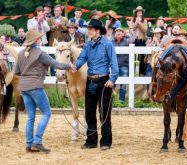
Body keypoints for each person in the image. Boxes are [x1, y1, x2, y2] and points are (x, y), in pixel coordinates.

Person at [15, 29, 76, 153]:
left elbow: (16, 71)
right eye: (39, 38)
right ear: (37, 40)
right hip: (36, 86)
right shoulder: (40, 53)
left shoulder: (21, 53)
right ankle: (37, 141)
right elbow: (56, 64)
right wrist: (69, 66)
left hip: (24, 87)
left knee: (30, 117)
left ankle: (29, 144)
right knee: (46, 113)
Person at [75, 19, 119, 150]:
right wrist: (74, 66)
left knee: (104, 112)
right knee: (89, 112)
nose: (88, 31)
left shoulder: (107, 44)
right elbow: (82, 58)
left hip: (104, 81)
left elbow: (114, 63)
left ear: (97, 31)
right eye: (88, 29)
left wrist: (112, 79)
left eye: (91, 29)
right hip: (90, 80)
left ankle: (106, 142)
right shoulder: (87, 45)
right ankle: (91, 141)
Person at [112, 28, 135, 102]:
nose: (118, 33)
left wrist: (130, 30)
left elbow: (133, 38)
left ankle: (121, 101)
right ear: (115, 34)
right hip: (114, 65)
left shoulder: (127, 41)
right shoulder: (111, 42)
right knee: (112, 83)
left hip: (124, 65)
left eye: (120, 32)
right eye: (117, 32)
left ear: (123, 34)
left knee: (123, 84)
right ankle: (111, 100)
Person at [129, 6, 147, 76]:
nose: (139, 13)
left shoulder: (145, 21)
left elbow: (145, 30)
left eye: (141, 12)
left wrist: (140, 23)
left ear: (142, 13)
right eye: (138, 12)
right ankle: (132, 73)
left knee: (142, 57)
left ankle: (141, 73)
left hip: (141, 41)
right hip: (134, 40)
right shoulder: (132, 20)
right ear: (136, 13)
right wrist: (136, 23)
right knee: (132, 57)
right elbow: (131, 29)